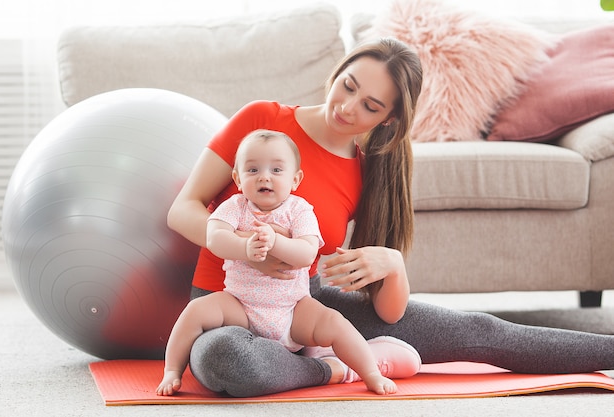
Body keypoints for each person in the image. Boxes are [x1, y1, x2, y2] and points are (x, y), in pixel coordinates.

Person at [166, 37, 614, 398]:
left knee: (478, 330)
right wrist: (247, 250)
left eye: (371, 106)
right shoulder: (263, 119)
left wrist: (393, 265)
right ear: (339, 70)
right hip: (227, 302)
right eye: (349, 85)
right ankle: (330, 368)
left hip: (305, 307)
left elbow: (388, 309)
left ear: (390, 119)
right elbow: (182, 209)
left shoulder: (368, 173)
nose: (347, 107)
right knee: (226, 361)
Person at [157, 129, 420, 396]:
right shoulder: (235, 207)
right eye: (253, 169)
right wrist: (245, 247)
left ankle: (370, 373)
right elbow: (215, 238)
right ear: (237, 178)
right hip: (240, 306)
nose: (264, 176)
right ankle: (172, 371)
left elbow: (306, 252)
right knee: (196, 311)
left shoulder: (299, 210)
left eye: (276, 170)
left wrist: (275, 242)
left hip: (293, 309)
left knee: (335, 323)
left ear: (295, 179)